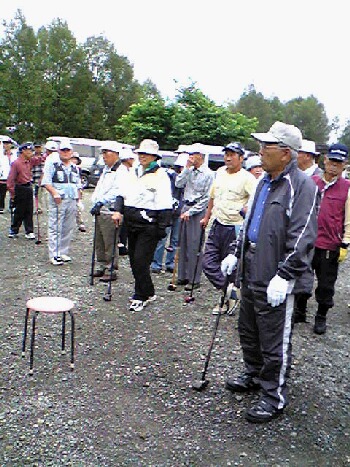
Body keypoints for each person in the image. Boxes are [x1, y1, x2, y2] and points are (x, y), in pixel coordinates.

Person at [221, 121, 319, 423]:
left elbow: (302, 234)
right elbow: (252, 220)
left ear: (286, 153)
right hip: (251, 267)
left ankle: (273, 395)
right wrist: (235, 252)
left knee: (274, 336)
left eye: (267, 147)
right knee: (248, 328)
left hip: (276, 274)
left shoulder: (301, 186)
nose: (260, 151)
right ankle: (253, 373)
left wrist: (286, 274)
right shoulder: (264, 181)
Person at [111, 139, 173, 312]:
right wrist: (118, 211)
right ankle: (148, 291)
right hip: (132, 223)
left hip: (149, 224)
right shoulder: (134, 171)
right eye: (140, 153)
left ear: (154, 156)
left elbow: (165, 204)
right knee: (133, 260)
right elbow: (122, 194)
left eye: (146, 153)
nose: (143, 156)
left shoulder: (161, 175)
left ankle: (141, 295)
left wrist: (161, 228)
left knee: (140, 261)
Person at [201, 142, 257, 313]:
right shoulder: (219, 173)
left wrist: (246, 209)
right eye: (226, 154)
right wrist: (206, 216)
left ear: (241, 158)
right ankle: (231, 292)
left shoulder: (248, 178)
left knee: (230, 267)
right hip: (217, 223)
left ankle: (225, 302)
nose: (228, 157)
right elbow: (212, 197)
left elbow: (255, 200)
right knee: (208, 262)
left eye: (232, 154)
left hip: (235, 227)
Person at [301, 143, 350, 334]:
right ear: (325, 160)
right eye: (332, 160)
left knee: (326, 284)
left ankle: (321, 316)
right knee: (303, 277)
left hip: (330, 243)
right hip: (308, 240)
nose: (334, 165)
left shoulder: (347, 188)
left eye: (339, 162)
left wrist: (345, 242)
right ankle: (300, 310)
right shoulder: (312, 182)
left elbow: (348, 218)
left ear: (344, 164)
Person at [174, 143, 214, 290]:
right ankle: (182, 275)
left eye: (193, 154)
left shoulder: (209, 174)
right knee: (182, 243)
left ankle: (194, 278)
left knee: (194, 244)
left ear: (201, 156)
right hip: (186, 205)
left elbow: (207, 198)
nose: (190, 157)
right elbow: (178, 183)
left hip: (197, 210)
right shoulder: (189, 171)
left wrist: (190, 212)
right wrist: (186, 168)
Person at [41, 140, 82, 265]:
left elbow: (78, 185)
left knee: (68, 227)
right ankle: (54, 254)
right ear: (58, 151)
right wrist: (54, 193)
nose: (65, 152)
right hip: (59, 200)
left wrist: (79, 200)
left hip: (72, 199)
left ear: (72, 152)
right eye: (63, 150)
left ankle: (63, 252)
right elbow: (46, 182)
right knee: (55, 227)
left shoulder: (75, 167)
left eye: (67, 150)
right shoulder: (53, 164)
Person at [90, 141, 126, 282]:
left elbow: (118, 191)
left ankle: (111, 268)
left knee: (110, 241)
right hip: (101, 210)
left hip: (110, 210)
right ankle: (101, 265)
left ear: (116, 154)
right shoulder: (106, 169)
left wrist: (101, 201)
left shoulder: (121, 171)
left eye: (107, 153)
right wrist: (95, 200)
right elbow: (100, 187)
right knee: (99, 240)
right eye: (103, 153)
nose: (104, 156)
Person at [151, 151, 187, 273]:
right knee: (162, 237)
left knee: (175, 239)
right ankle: (156, 263)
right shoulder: (169, 176)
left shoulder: (188, 178)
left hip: (179, 212)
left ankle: (170, 262)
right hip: (167, 211)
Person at [7, 142, 36, 239]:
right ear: (23, 151)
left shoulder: (29, 162)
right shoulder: (16, 163)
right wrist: (12, 193)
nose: (31, 152)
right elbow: (11, 179)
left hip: (28, 187)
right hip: (20, 188)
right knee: (19, 210)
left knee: (29, 210)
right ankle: (14, 229)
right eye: (29, 150)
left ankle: (29, 231)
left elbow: (39, 159)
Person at [118, 147, 136, 256]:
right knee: (121, 225)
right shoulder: (122, 171)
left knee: (125, 226)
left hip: (128, 201)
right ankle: (120, 245)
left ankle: (123, 245)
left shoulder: (130, 170)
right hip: (122, 201)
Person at [70, 152, 86, 233]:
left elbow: (79, 181)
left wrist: (80, 191)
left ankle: (80, 223)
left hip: (76, 189)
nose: (74, 161)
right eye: (72, 158)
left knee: (78, 208)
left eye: (75, 159)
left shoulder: (78, 169)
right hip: (69, 191)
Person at [0, 137, 17, 214]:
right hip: (3, 176)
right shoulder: (1, 155)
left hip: (13, 176)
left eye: (7, 144)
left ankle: (12, 206)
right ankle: (1, 207)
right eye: (4, 144)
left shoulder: (15, 155)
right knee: (1, 193)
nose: (5, 145)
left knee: (13, 192)